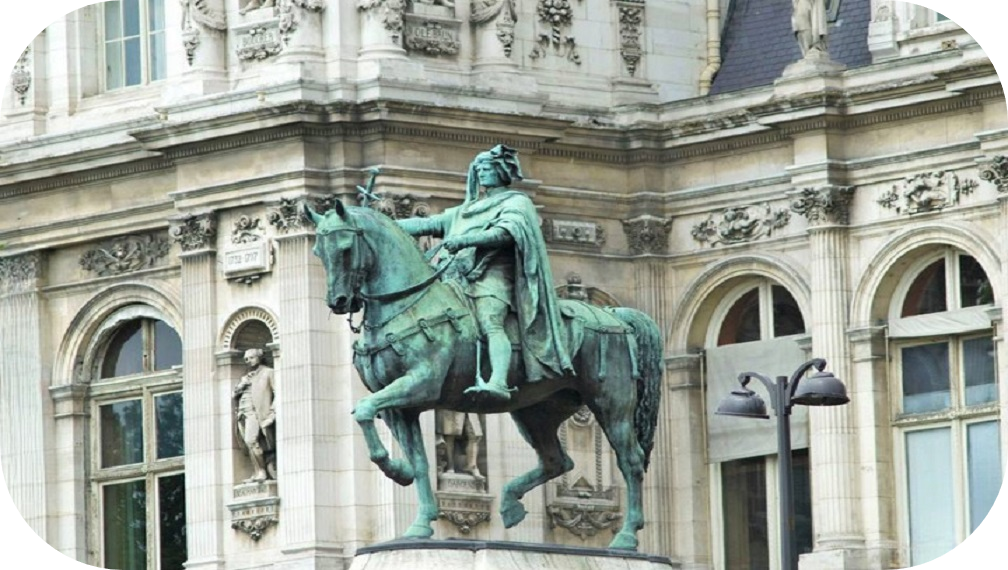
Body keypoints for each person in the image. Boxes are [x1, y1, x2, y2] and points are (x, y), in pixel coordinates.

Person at [397, 144, 573, 401]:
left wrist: (466, 241)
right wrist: (382, 223)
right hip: (457, 279)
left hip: (494, 278)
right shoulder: (466, 210)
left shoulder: (516, 202)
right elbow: (427, 224)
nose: (482, 174)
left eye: (487, 168)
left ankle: (499, 382)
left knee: (491, 321)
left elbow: (505, 233)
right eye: (478, 170)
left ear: (501, 171)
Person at [233, 348, 276, 482]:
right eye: (246, 359)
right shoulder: (245, 377)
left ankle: (262, 471)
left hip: (256, 412)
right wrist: (241, 385)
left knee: (251, 441)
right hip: (243, 413)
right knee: (249, 443)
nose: (248, 361)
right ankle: (258, 471)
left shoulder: (268, 372)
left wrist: (272, 415)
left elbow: (278, 393)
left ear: (259, 357)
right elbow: (234, 395)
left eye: (251, 357)